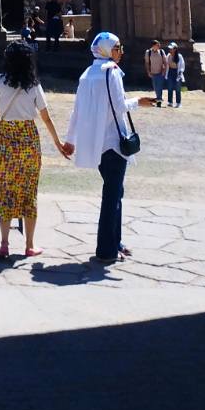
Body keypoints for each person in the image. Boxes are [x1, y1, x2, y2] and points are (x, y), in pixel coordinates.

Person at [64, 31, 154, 264]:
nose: (120, 52)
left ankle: (115, 241)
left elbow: (76, 110)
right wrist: (140, 102)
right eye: (117, 47)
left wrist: (70, 139)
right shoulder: (111, 72)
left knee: (115, 191)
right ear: (105, 50)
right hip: (114, 142)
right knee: (112, 195)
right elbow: (119, 105)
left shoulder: (87, 74)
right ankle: (106, 250)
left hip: (97, 143)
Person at [0, 40, 72, 259]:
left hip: (6, 137)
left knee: (5, 188)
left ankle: (4, 244)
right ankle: (30, 244)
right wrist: (58, 143)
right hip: (29, 138)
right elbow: (46, 117)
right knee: (29, 190)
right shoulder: (34, 85)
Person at [144, 40, 167, 107]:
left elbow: (165, 62)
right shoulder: (148, 52)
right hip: (153, 73)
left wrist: (164, 70)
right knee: (155, 87)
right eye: (157, 45)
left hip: (160, 73)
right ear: (153, 45)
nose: (159, 46)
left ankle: (159, 101)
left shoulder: (162, 52)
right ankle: (158, 98)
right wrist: (148, 71)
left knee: (159, 87)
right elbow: (147, 63)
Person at [164, 42, 185, 108]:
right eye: (170, 49)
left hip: (177, 72)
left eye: (171, 49)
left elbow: (182, 65)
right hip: (170, 72)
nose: (170, 50)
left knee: (177, 89)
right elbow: (167, 65)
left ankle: (178, 103)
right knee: (170, 88)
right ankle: (170, 102)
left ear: (175, 49)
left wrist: (180, 72)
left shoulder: (179, 56)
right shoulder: (168, 56)